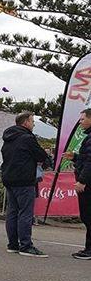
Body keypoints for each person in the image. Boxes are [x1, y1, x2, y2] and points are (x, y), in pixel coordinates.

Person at [0, 111, 49, 258]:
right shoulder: (27, 138)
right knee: (25, 213)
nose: (33, 124)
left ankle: (13, 244)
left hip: (9, 178)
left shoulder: (8, 138)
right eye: (32, 121)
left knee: (13, 212)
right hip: (24, 180)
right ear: (26, 122)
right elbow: (41, 155)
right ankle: (26, 245)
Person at [63, 108, 91, 260]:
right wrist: (75, 157)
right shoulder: (88, 137)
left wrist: (82, 181)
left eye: (82, 119)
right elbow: (86, 158)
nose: (80, 122)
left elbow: (90, 162)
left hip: (87, 184)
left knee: (88, 216)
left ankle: (89, 249)